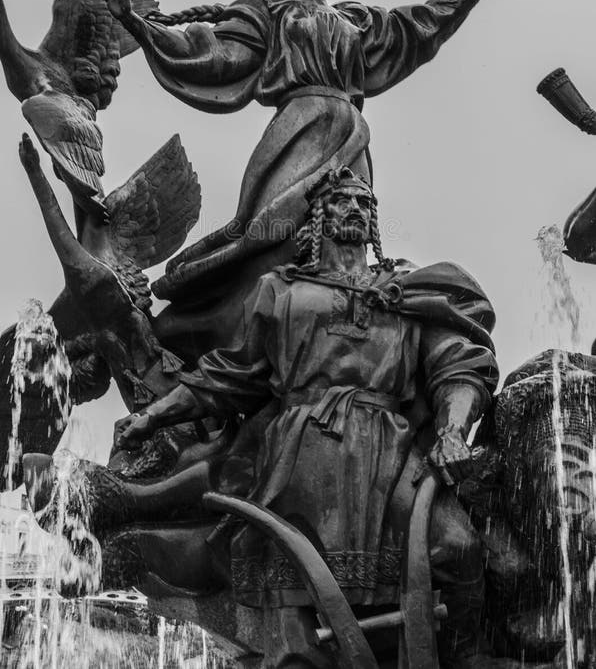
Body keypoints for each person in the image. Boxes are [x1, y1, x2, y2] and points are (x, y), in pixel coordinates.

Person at [115, 166, 499, 668]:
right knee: (297, 583)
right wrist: (154, 418)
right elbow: (229, 376)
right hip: (302, 453)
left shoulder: (407, 293)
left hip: (393, 453)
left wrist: (452, 430)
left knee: (459, 545)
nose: (357, 209)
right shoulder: (280, 291)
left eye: (365, 202)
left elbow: (457, 364)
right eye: (343, 201)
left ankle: (466, 654)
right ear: (319, 217)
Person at [99, 0, 503, 358]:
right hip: (298, 125)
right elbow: (217, 56)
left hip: (351, 134)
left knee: (344, 243)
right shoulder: (265, 12)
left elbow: (412, 32)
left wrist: (467, 0)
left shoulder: (354, 18)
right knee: (270, 240)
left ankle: (335, 343)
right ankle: (218, 338)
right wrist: (136, 24)